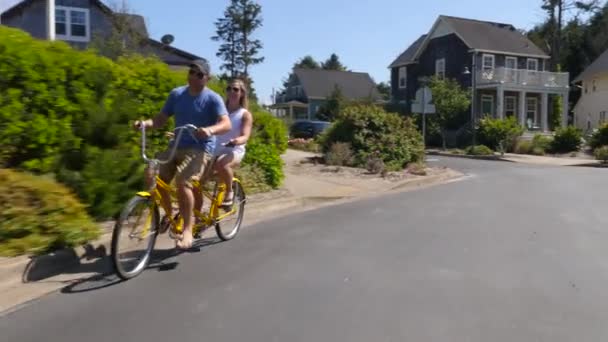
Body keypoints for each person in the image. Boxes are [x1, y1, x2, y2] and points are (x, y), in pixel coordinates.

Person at [133, 59, 231, 249]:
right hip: (176, 145)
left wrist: (210, 130)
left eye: (199, 74)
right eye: (192, 72)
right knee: (152, 174)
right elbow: (161, 119)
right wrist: (144, 124)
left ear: (207, 78)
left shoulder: (213, 98)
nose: (194, 76)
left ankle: (187, 229)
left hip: (201, 148)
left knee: (183, 182)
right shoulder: (177, 94)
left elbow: (226, 124)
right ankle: (169, 216)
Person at [212, 79, 253, 206]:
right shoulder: (219, 112)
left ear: (242, 93)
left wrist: (236, 141)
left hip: (234, 150)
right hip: (215, 148)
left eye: (235, 89)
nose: (232, 91)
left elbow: (245, 136)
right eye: (229, 88)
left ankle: (230, 191)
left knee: (222, 164)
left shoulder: (244, 114)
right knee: (196, 179)